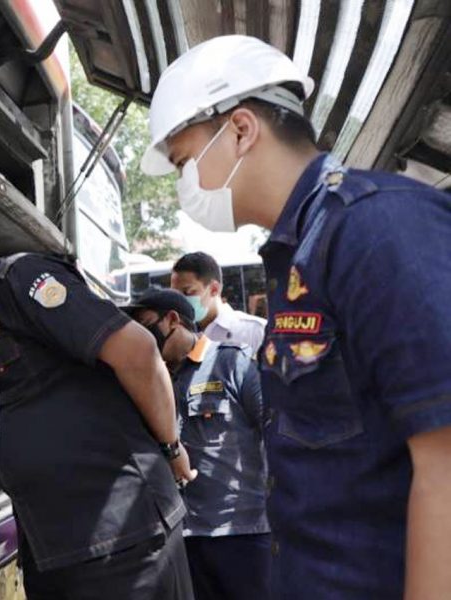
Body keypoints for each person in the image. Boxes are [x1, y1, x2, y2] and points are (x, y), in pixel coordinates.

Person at [140, 34, 451, 600]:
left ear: (240, 130)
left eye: (185, 161)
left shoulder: (374, 229)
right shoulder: (296, 256)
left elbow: (446, 464)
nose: (186, 185)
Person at [0, 191, 196, 599]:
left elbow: (140, 352)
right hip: (57, 552)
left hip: (122, 539)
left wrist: (170, 447)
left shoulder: (20, 281)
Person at [127, 287, 269, 600]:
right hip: (182, 537)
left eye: (145, 324)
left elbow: (276, 434)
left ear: (172, 320)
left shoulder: (232, 364)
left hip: (238, 532)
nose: (140, 335)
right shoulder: (148, 380)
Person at [170, 251, 266, 354]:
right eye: (175, 294)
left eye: (188, 292)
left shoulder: (254, 331)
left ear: (214, 289)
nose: (179, 301)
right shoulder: (175, 335)